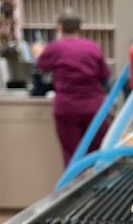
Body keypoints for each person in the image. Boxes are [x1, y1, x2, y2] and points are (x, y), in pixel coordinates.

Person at [35, 13, 111, 167]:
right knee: (97, 152)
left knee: (72, 154)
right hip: (93, 107)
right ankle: (97, 181)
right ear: (79, 28)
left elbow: (41, 66)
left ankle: (75, 181)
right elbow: (104, 75)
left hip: (67, 108)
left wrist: (38, 52)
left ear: (59, 28)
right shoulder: (92, 47)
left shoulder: (55, 48)